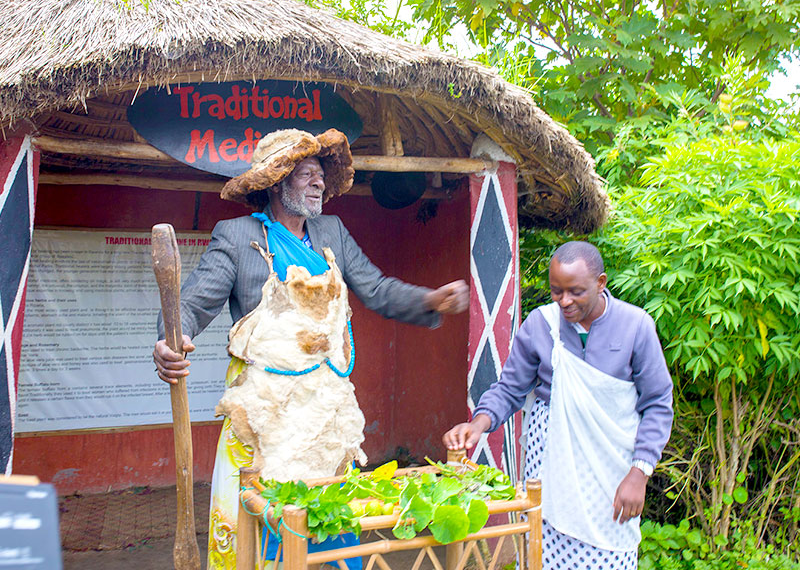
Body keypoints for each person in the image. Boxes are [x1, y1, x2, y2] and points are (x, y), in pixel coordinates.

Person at [153, 128, 469, 570]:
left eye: (320, 175)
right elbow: (190, 305)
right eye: (306, 174)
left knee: (327, 516)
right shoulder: (239, 236)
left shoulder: (331, 232)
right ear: (277, 182)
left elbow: (375, 289)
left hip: (325, 408)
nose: (319, 183)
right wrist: (171, 340)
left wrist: (430, 300)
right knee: (264, 522)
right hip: (263, 410)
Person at [443, 241, 673, 569]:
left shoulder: (636, 327)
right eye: (556, 291)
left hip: (610, 475)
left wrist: (640, 472)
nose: (564, 301)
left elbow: (658, 404)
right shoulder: (541, 324)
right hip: (548, 470)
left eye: (575, 291)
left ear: (601, 282)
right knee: (542, 553)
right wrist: (478, 423)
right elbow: (510, 389)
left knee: (608, 554)